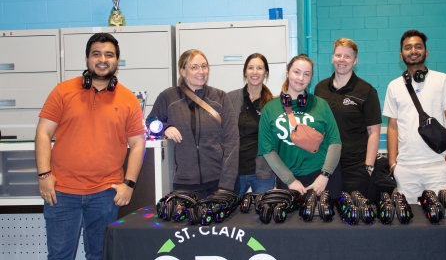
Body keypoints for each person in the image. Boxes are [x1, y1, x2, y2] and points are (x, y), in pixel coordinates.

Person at [35, 33, 146, 260]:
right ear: (87, 59)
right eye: (96, 54)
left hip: (105, 194)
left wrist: (129, 184)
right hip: (62, 193)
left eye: (109, 54)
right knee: (59, 256)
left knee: (100, 255)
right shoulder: (63, 91)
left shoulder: (127, 99)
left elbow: (137, 143)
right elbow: (43, 133)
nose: (102, 59)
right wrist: (44, 174)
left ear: (117, 60)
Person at [147, 49, 238, 198]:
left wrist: (226, 184)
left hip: (218, 182)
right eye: (194, 67)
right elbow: (150, 122)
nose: (201, 71)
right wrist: (165, 127)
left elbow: (232, 141)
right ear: (183, 71)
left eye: (204, 66)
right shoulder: (169, 97)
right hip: (184, 184)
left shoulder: (220, 97)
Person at [383, 30, 446, 203]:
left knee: (439, 217)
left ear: (426, 52)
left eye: (418, 46)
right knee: (409, 219)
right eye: (408, 47)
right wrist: (393, 164)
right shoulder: (394, 86)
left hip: (437, 165)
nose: (413, 51)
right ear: (401, 55)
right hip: (405, 167)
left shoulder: (442, 80)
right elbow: (392, 126)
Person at [258, 54, 342, 196]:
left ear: (311, 77)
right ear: (287, 72)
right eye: (296, 72)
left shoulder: (321, 105)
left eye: (306, 74)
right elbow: (267, 149)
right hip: (288, 180)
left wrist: (325, 175)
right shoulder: (270, 109)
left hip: (321, 180)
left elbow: (335, 141)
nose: (301, 78)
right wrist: (289, 180)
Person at [314, 38, 381, 201]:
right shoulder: (320, 89)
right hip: (326, 167)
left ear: (355, 61)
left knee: (354, 218)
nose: (342, 60)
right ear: (332, 58)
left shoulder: (366, 91)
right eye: (338, 55)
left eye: (347, 56)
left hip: (355, 168)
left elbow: (374, 132)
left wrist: (369, 167)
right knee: (327, 215)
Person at [228, 53, 276, 196]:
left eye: (260, 68)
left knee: (263, 215)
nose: (255, 72)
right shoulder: (230, 98)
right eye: (250, 68)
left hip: (263, 172)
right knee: (230, 214)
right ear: (245, 72)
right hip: (235, 172)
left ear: (266, 73)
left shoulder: (273, 104)